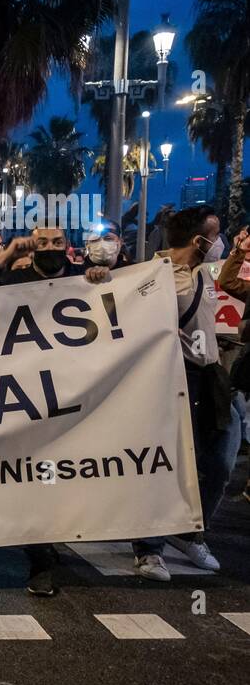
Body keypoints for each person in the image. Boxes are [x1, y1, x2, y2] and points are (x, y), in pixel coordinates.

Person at [0, 226, 111, 595]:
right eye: (41, 243)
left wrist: (102, 280)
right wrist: (11, 250)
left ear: (68, 248)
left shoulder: (84, 282)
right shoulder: (17, 281)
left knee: (60, 476)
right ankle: (41, 558)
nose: (49, 248)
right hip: (25, 398)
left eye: (56, 243)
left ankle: (49, 545)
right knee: (33, 478)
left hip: (72, 396)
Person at [129, 208, 235, 579]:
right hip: (174, 379)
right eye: (216, 234)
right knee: (166, 464)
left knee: (219, 464)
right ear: (198, 241)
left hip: (211, 378)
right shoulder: (149, 279)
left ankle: (188, 533)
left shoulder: (205, 272)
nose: (220, 241)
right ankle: (149, 549)